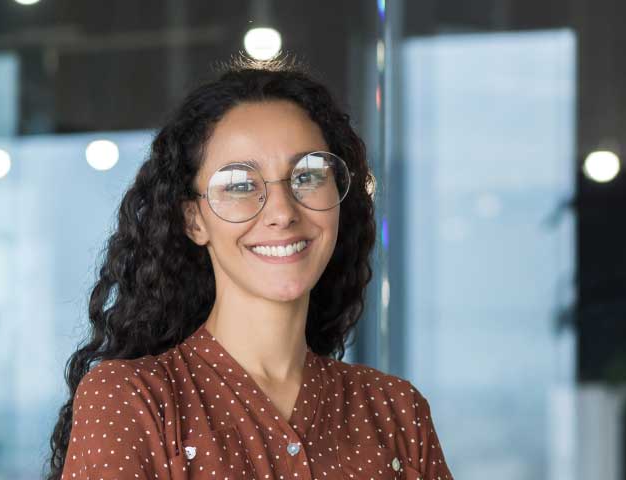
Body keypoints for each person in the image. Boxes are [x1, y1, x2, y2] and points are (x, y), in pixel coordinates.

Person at [46, 58, 453, 480]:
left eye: (308, 175)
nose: (282, 211)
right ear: (194, 220)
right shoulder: (131, 400)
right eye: (240, 185)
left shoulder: (397, 411)